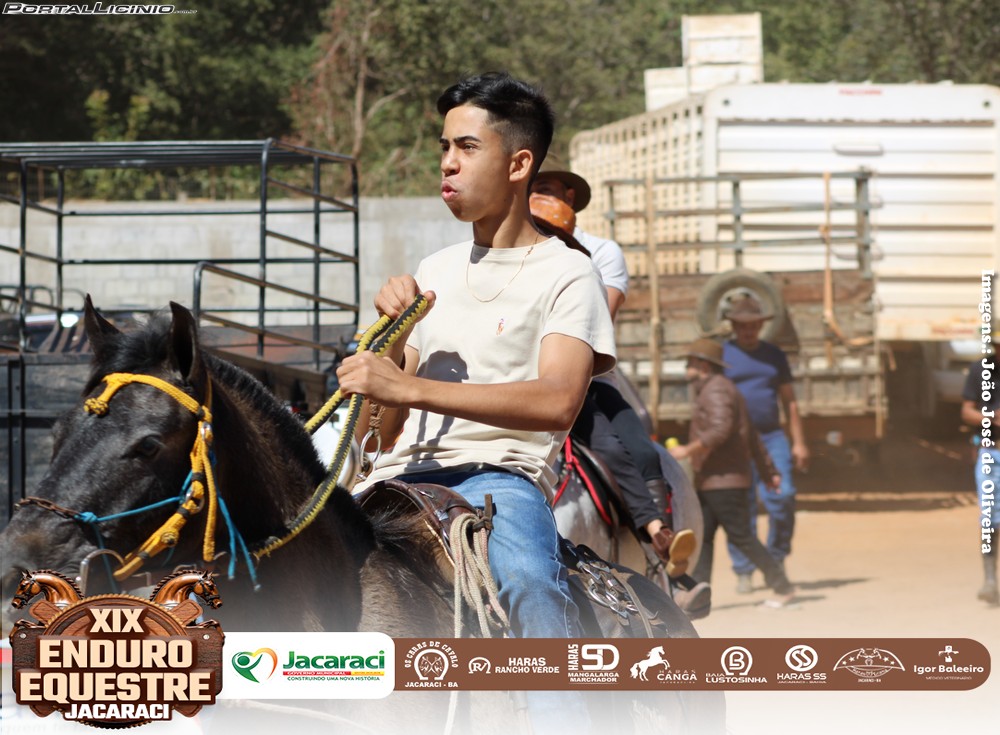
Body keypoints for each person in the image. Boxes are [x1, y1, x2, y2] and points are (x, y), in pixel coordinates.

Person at [336, 71, 615, 732]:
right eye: (444, 147)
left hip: (499, 485)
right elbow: (382, 431)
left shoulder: (568, 272)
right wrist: (388, 348)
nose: (447, 163)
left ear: (518, 164)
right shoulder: (433, 270)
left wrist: (409, 385)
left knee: (530, 581)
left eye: (466, 147)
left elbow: (558, 401)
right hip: (396, 478)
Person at [531, 171, 709, 616]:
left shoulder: (598, 254)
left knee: (632, 447)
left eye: (548, 190)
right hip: (522, 379)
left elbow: (595, 327)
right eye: (534, 190)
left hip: (589, 374)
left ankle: (662, 555)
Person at [669, 337, 796, 607]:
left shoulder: (716, 390)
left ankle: (782, 586)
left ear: (703, 366)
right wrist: (768, 472)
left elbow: (720, 430)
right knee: (705, 539)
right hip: (715, 479)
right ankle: (698, 595)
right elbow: (752, 437)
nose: (686, 369)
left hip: (723, 480)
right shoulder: (723, 388)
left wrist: (687, 450)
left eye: (690, 363)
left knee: (742, 537)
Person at [721, 295, 809, 593]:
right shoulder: (722, 355)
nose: (748, 330)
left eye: (753, 325)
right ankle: (744, 569)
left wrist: (799, 442)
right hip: (735, 442)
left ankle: (775, 559)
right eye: (742, 325)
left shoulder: (775, 356)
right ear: (734, 326)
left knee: (783, 496)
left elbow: (790, 401)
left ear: (761, 325)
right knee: (740, 507)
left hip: (772, 437)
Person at [961, 357, 999, 605]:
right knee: (989, 519)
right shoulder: (980, 370)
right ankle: (990, 580)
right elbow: (967, 412)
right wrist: (992, 417)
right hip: (991, 454)